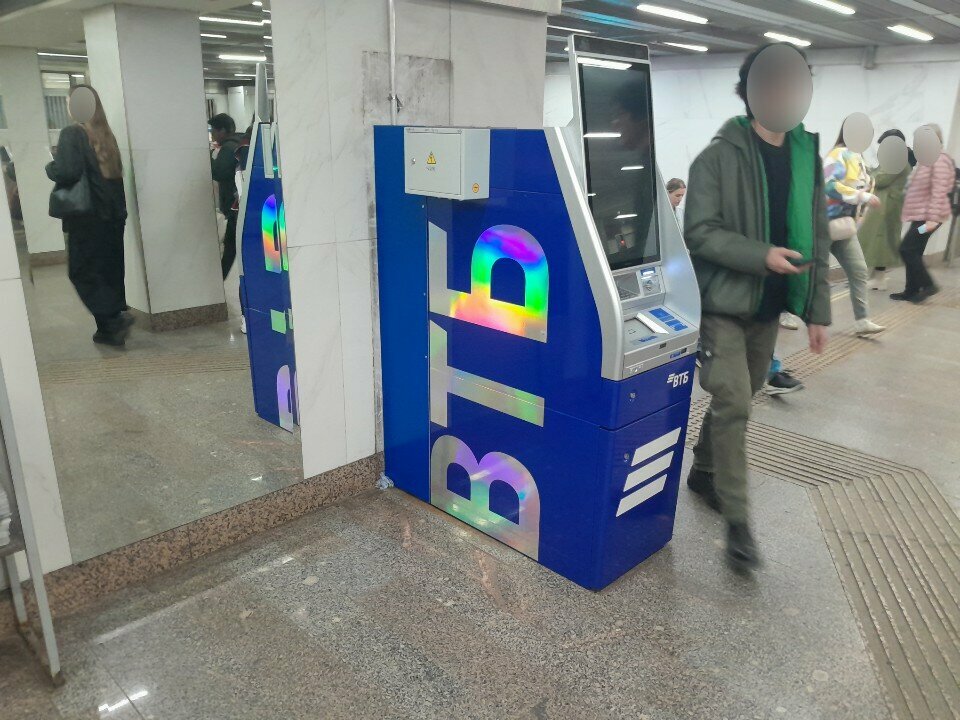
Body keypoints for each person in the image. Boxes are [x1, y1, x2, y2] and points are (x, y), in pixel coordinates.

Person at [683, 43, 831, 571]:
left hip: (768, 307)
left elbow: (817, 231)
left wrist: (817, 311)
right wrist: (760, 254)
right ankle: (738, 523)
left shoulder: (805, 157)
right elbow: (699, 231)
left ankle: (703, 470)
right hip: (722, 304)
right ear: (751, 90)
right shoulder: (717, 158)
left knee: (741, 395)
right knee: (734, 403)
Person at [46, 85, 129, 346]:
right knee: (107, 268)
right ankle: (108, 328)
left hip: (87, 216)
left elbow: (67, 172)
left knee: (81, 271)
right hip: (113, 215)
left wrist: (50, 166)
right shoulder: (106, 135)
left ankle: (112, 319)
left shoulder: (73, 133)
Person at [823, 126, 886, 336]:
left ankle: (862, 320)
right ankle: (786, 312)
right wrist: (861, 196)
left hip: (845, 226)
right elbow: (829, 185)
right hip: (822, 224)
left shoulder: (859, 159)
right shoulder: (838, 154)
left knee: (858, 270)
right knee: (807, 273)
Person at [891, 124, 955, 302]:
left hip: (929, 219)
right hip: (921, 216)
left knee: (907, 249)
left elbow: (939, 191)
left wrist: (932, 219)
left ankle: (928, 285)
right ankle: (911, 290)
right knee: (914, 251)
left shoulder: (939, 160)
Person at [859, 130, 914, 291]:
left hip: (887, 208)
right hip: (885, 206)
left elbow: (879, 179)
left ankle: (880, 279)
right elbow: (877, 174)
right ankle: (876, 277)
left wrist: (864, 169)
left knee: (881, 242)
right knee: (877, 241)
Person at [209, 113, 241, 280]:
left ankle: (218, 280)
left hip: (235, 205)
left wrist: (208, 159)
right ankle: (219, 279)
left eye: (213, 131)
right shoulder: (237, 143)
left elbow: (219, 172)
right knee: (231, 246)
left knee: (230, 246)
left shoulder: (228, 148)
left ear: (222, 130)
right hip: (238, 204)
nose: (213, 136)